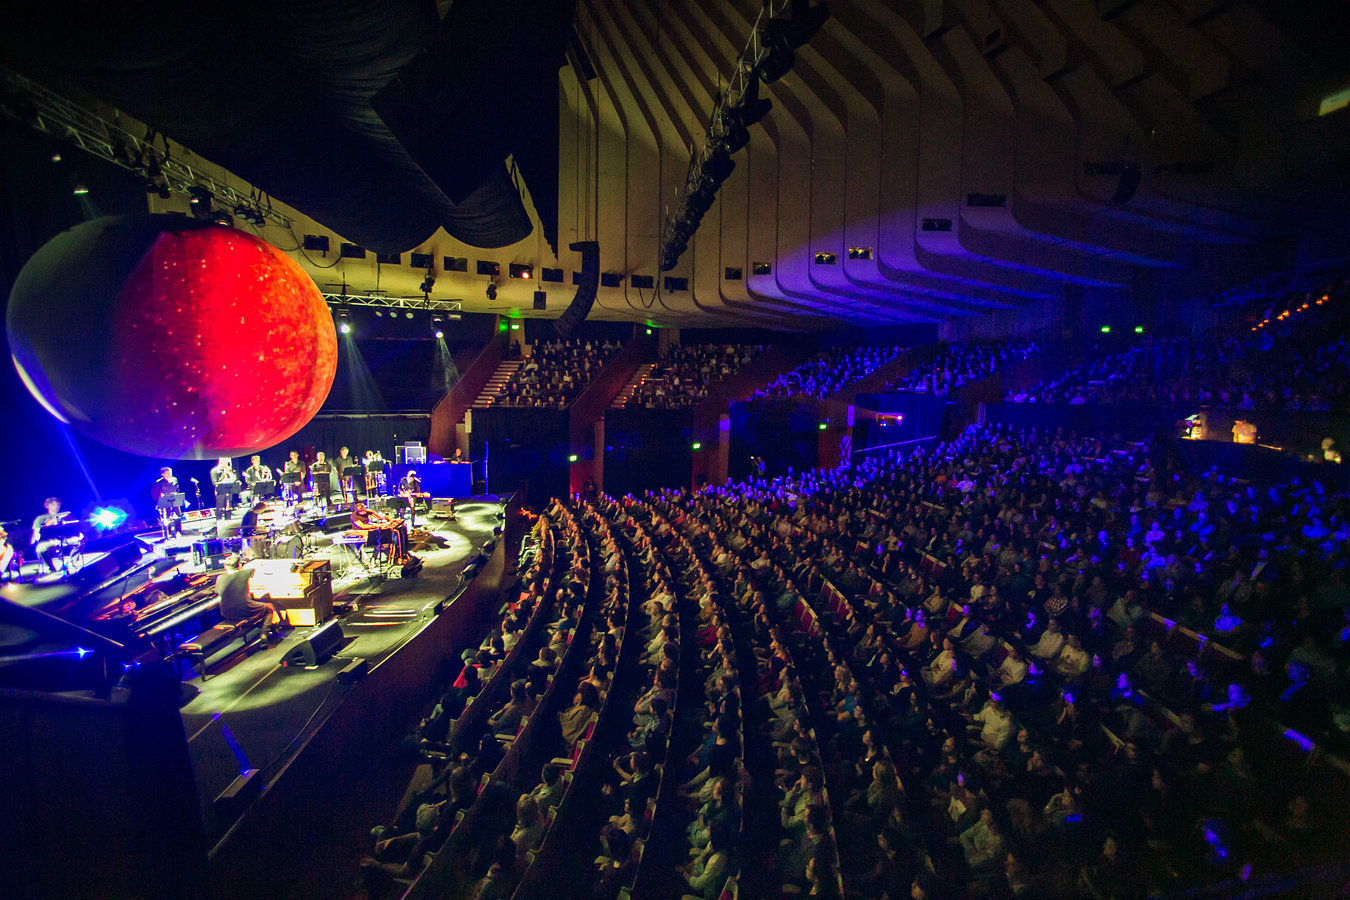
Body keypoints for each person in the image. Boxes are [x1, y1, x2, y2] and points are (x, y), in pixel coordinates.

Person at [215, 554, 285, 627]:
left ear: (225, 567)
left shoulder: (220, 578)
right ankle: (265, 632)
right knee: (269, 607)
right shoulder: (246, 573)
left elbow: (218, 592)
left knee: (253, 601)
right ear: (239, 565)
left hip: (226, 612)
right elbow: (254, 569)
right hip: (244, 609)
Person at [30, 496, 73, 572]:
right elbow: (36, 532)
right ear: (47, 506)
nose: (56, 506)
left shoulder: (64, 516)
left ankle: (71, 561)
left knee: (80, 541)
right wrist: (36, 540)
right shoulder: (40, 518)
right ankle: (50, 567)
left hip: (64, 539)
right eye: (53, 505)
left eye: (58, 505)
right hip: (48, 541)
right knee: (39, 548)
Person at [150, 467, 185, 537]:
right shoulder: (159, 482)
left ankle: (179, 530)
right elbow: (155, 493)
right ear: (163, 474)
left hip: (174, 499)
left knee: (178, 515)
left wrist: (176, 494)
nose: (169, 474)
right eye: (167, 473)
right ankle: (169, 532)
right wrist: (160, 497)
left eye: (170, 472)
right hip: (165, 501)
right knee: (167, 516)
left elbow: (177, 489)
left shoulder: (174, 479)